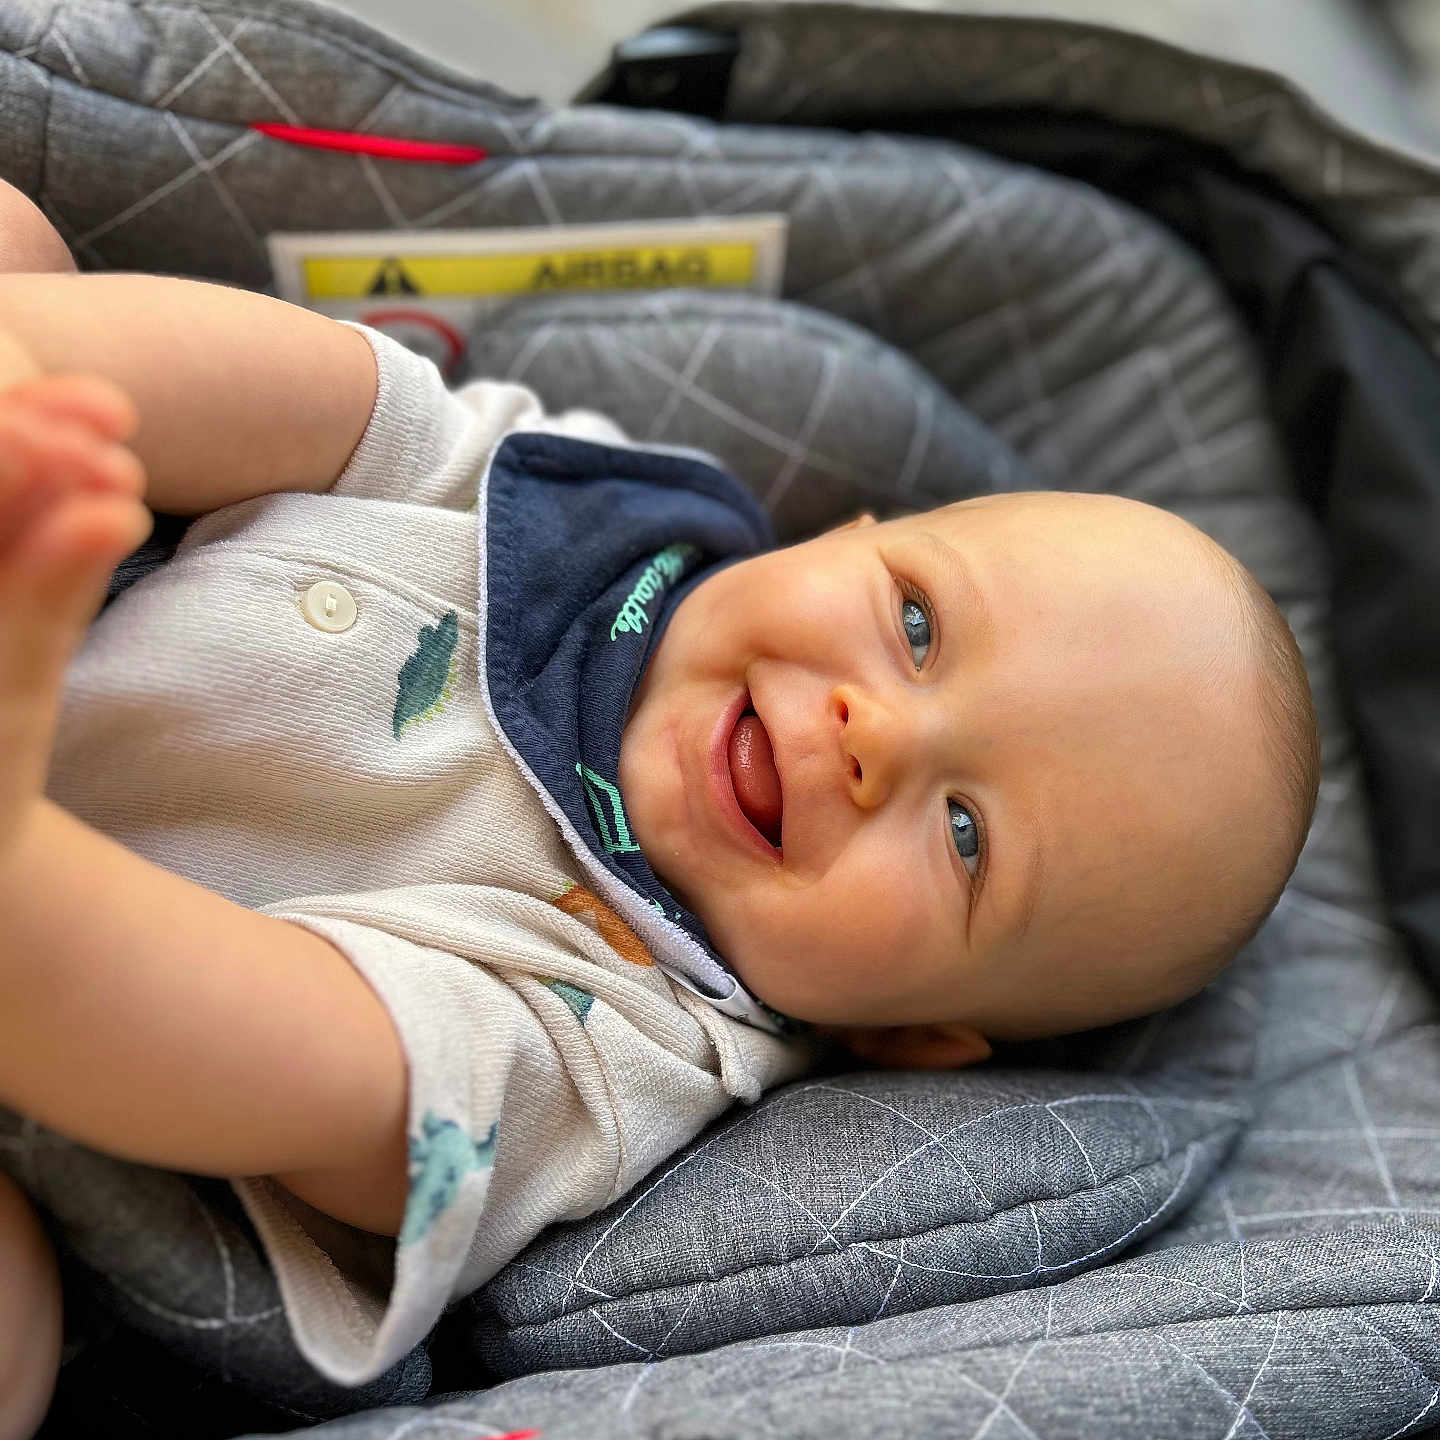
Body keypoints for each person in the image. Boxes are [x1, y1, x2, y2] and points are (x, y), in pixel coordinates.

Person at [0, 180, 1319, 1437]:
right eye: (917, 624)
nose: (876, 736)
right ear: (845, 532)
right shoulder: (591, 518)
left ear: (907, 1036)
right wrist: (38, 385)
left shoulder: (622, 1038)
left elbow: (255, 1049)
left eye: (967, 834)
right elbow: (333, 407)